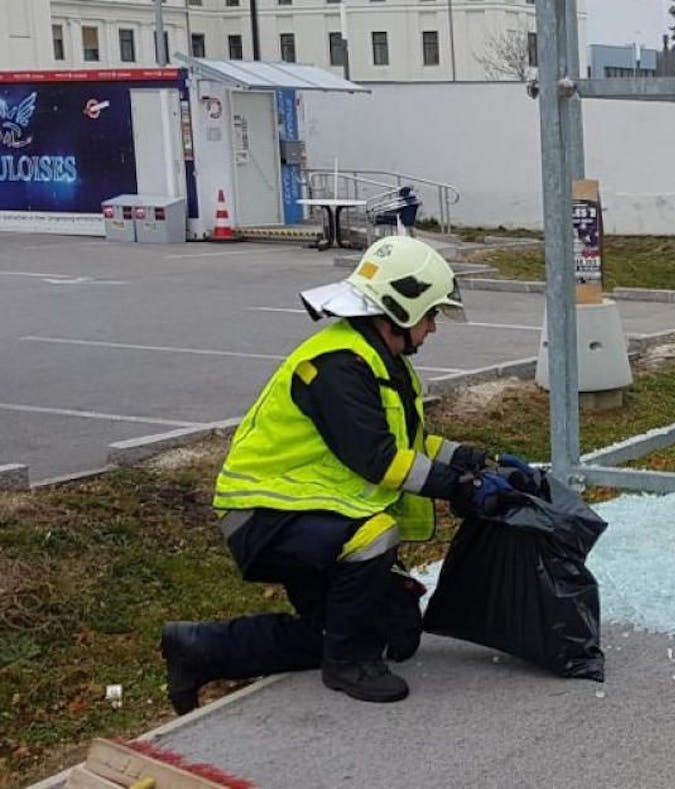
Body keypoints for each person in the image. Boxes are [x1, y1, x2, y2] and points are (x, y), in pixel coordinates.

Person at [161, 236, 518, 712]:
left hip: (306, 512)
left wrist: (467, 459)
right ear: (399, 309)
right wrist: (457, 487)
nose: (434, 328)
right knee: (373, 535)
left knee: (392, 632)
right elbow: (378, 459)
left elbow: (405, 442)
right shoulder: (337, 366)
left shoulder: (378, 359)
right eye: (431, 314)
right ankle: (347, 664)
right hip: (265, 516)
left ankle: (200, 649)